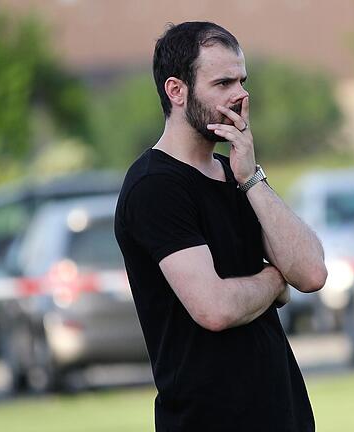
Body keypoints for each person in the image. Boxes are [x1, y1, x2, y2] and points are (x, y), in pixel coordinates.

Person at [114, 21, 327, 431]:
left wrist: (251, 177)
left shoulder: (239, 176)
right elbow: (214, 309)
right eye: (223, 82)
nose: (241, 95)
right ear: (176, 91)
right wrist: (273, 282)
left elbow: (312, 273)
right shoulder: (154, 186)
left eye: (242, 81)